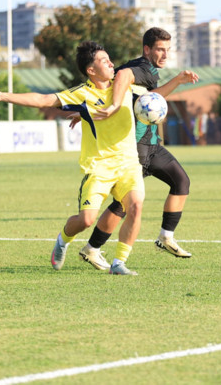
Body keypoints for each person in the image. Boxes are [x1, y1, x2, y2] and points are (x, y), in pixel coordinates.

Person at [0, 41, 145, 276]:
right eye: (104, 61)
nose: (111, 63)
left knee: (136, 206)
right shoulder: (83, 94)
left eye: (109, 58)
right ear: (91, 70)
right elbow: (44, 100)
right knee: (86, 220)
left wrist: (178, 82)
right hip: (99, 166)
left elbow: (155, 97)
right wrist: (3, 96)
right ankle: (63, 240)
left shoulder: (125, 85)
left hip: (129, 162)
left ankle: (119, 262)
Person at [79, 27, 199, 269]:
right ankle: (92, 248)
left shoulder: (151, 71)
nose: (165, 54)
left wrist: (176, 80)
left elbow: (151, 96)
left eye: (167, 49)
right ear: (147, 49)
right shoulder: (140, 67)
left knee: (181, 182)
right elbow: (122, 76)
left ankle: (166, 236)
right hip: (137, 146)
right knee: (125, 204)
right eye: (159, 49)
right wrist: (109, 107)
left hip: (151, 143)